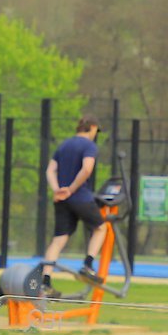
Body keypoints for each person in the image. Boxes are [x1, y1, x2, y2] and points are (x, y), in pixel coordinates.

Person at [41, 115, 109, 292]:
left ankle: (45, 281)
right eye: (96, 131)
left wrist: (57, 190)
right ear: (92, 128)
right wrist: (70, 189)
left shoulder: (64, 145)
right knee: (100, 228)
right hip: (80, 196)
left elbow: (50, 170)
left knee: (58, 239)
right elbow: (87, 169)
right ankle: (88, 265)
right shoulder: (89, 146)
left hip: (62, 200)